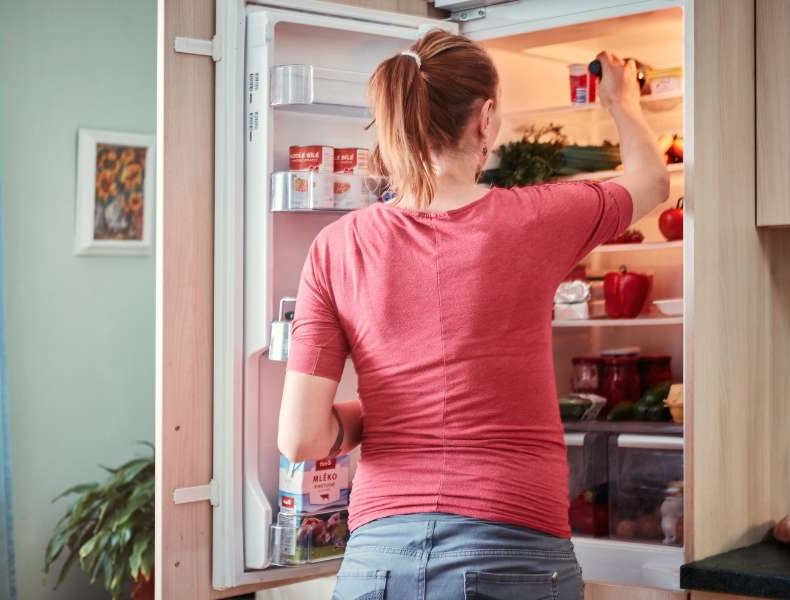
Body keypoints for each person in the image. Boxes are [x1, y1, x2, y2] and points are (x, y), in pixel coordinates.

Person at [277, 29, 669, 600]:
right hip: (512, 545)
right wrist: (621, 100)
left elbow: (301, 437)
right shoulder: (535, 218)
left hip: (376, 560)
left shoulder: (337, 246)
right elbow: (652, 181)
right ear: (485, 118)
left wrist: (390, 406)